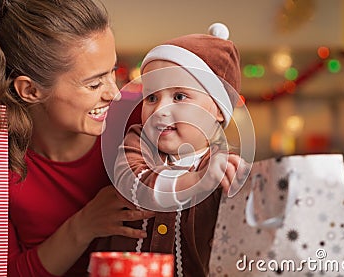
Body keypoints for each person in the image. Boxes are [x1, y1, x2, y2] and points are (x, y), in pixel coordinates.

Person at [0, 0, 155, 276]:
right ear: (30, 90)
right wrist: (83, 226)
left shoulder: (143, 117)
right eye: (94, 84)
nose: (115, 93)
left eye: (113, 72)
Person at [105, 23, 250, 277]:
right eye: (151, 98)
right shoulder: (138, 143)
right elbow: (132, 186)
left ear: (217, 109)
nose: (160, 109)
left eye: (179, 96)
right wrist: (196, 181)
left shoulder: (225, 167)